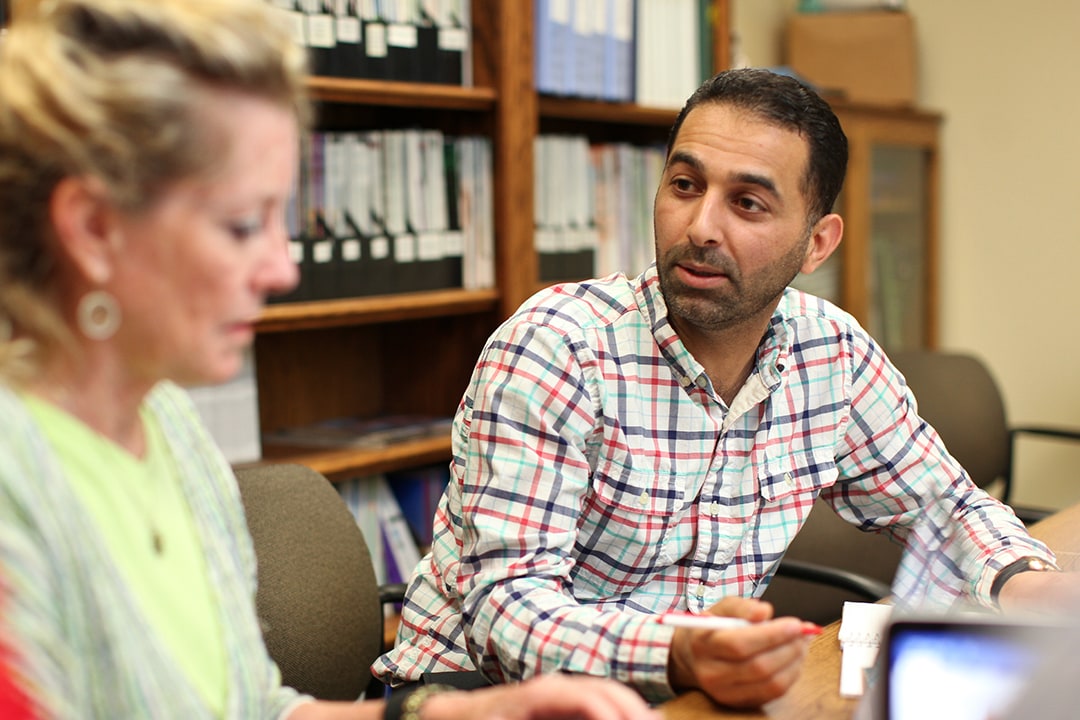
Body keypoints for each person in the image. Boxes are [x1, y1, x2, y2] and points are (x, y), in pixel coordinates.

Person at [0, 2, 661, 719]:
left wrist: (463, 712)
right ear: (94, 228)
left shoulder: (168, 425)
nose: (284, 270)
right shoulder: (18, 478)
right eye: (241, 225)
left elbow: (251, 708)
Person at [374, 67, 1080, 708]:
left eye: (747, 203)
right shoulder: (559, 346)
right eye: (685, 186)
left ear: (818, 243)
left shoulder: (828, 352)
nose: (701, 227)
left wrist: (1022, 578)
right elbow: (506, 610)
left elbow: (945, 505)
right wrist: (678, 651)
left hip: (683, 696)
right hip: (474, 698)